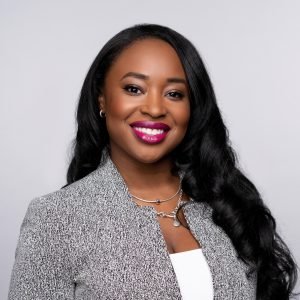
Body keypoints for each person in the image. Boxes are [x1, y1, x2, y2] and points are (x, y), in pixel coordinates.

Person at [8, 23, 298, 300]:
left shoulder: (227, 206)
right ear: (102, 99)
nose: (155, 108)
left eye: (174, 94)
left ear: (192, 107)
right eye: (134, 89)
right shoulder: (55, 219)